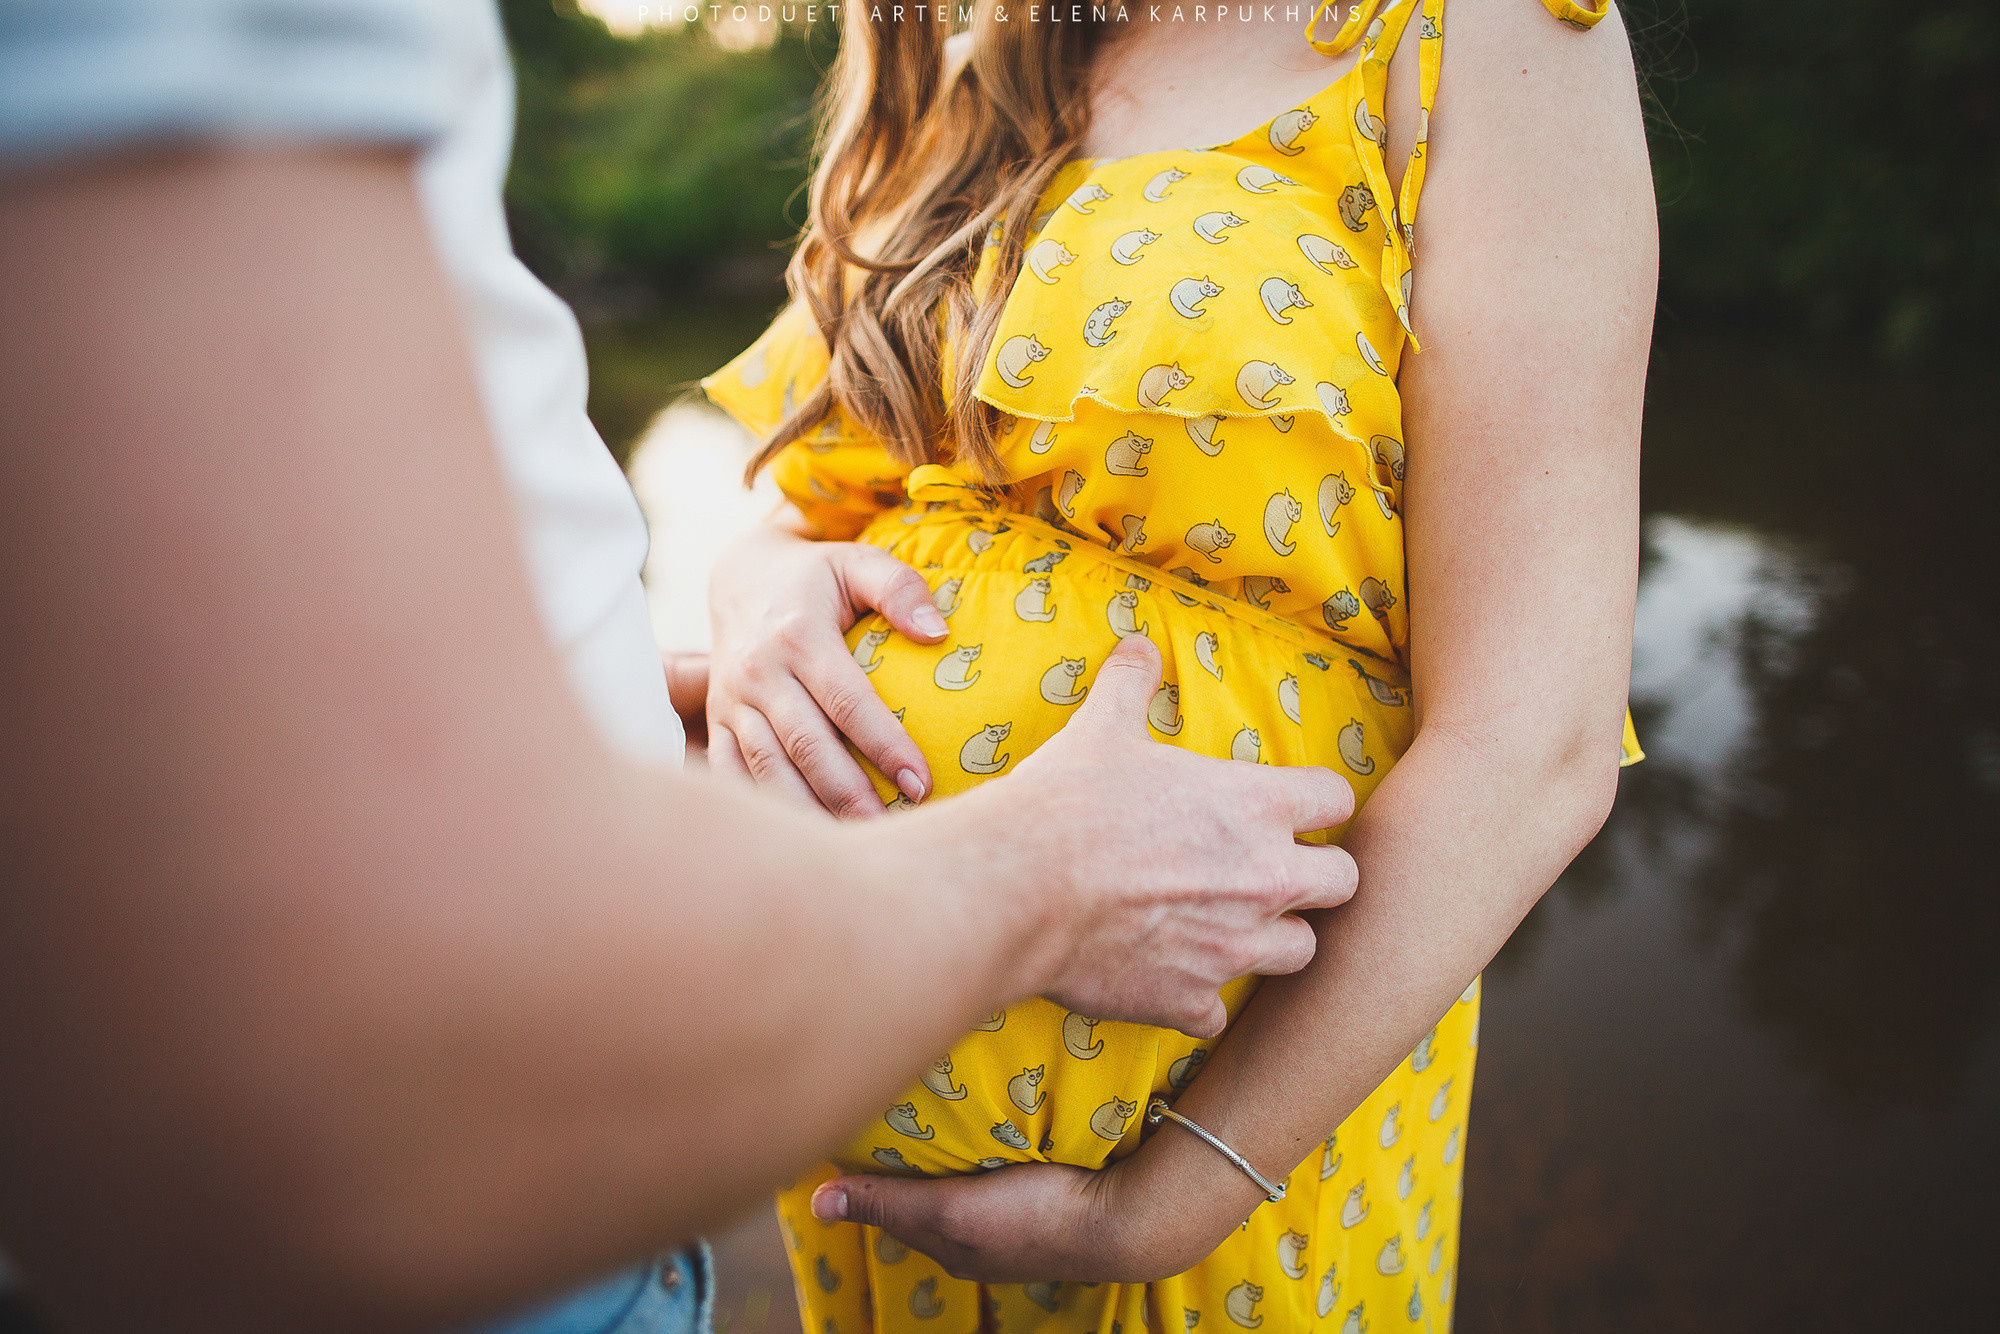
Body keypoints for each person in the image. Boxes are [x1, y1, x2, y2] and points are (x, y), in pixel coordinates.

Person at [0, 3, 1367, 1332]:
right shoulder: (965, 86)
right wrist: (1041, 881)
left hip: (732, 1151)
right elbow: (341, 1118)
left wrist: (607, 702)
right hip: (534, 1232)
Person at [697, 0, 1654, 1328]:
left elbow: (1535, 740)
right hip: (861, 1097)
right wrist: (754, 585)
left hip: (1229, 1160)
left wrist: (1164, 1202)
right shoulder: (989, 62)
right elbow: (827, 492)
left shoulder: (1483, 35)